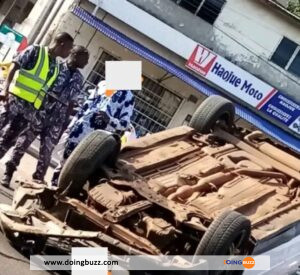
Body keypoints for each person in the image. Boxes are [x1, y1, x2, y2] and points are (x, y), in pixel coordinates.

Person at [0, 46, 89, 187]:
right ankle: (8, 173)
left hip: (57, 120)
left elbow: (72, 102)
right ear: (76, 55)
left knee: (46, 154)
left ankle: (37, 182)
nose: (87, 62)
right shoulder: (56, 67)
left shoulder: (79, 78)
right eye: (85, 58)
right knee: (21, 144)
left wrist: (65, 122)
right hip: (39, 112)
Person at [51, 80, 135, 187]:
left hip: (97, 140)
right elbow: (85, 107)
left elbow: (124, 124)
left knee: (83, 170)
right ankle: (53, 189)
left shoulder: (128, 96)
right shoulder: (102, 85)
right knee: (64, 163)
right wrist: (71, 126)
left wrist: (109, 119)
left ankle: (68, 193)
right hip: (79, 132)